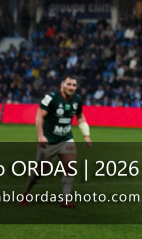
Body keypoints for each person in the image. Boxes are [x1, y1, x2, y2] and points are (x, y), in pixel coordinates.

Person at [23, 74, 92, 208]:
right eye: (69, 84)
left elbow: (80, 116)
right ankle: (26, 192)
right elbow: (39, 116)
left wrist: (86, 135)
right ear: (62, 85)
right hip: (49, 141)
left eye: (74, 85)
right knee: (39, 171)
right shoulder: (51, 98)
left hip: (66, 138)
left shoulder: (77, 100)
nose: (71, 87)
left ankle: (65, 200)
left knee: (70, 167)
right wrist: (40, 135)